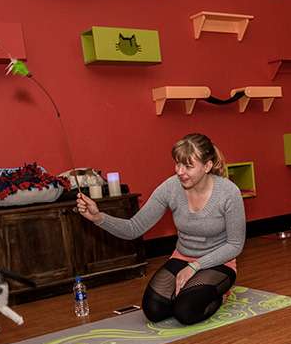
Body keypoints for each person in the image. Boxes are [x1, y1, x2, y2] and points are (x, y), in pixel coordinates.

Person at [76, 133, 245, 325]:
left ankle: (221, 296)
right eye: (177, 163)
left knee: (185, 312)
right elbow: (134, 227)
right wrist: (98, 217)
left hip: (218, 262)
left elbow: (234, 245)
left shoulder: (229, 192)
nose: (180, 171)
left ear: (207, 166)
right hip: (183, 257)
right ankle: (194, 290)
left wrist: (195, 267)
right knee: (154, 310)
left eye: (188, 166)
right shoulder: (171, 187)